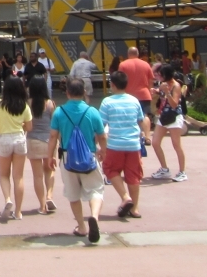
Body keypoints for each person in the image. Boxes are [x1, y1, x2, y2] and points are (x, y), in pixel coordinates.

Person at [47, 77, 107, 242]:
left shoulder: (59, 112)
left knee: (73, 194)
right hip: (89, 157)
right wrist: (104, 152)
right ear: (84, 92)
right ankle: (94, 216)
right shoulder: (92, 112)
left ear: (67, 93)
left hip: (67, 158)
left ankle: (81, 226)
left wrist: (50, 156)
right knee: (95, 189)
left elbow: (53, 137)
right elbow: (101, 136)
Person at [99, 70, 150, 219]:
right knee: (134, 176)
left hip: (115, 144)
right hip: (133, 144)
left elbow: (101, 126)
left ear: (112, 85)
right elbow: (142, 120)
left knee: (110, 170)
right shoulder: (134, 100)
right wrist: (146, 136)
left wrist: (98, 145)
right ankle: (135, 208)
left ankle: (125, 197)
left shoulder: (107, 102)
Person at [0, 76, 32, 221]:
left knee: (4, 175)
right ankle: (19, 211)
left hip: (4, 139)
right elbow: (29, 127)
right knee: (19, 176)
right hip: (19, 138)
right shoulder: (24, 106)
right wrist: (19, 125)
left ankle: (8, 199)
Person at [26, 75, 57, 215]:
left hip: (33, 140)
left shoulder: (28, 103)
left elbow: (26, 123)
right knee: (49, 170)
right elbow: (56, 125)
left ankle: (42, 205)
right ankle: (50, 196)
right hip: (48, 141)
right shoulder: (50, 104)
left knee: (37, 175)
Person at [151, 64, 188, 183]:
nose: (159, 77)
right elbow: (159, 94)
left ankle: (182, 172)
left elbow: (174, 104)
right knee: (155, 142)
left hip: (174, 117)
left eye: (161, 75)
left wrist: (167, 92)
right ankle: (164, 169)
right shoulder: (163, 84)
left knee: (176, 145)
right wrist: (156, 91)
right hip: (163, 116)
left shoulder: (176, 86)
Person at [119, 47, 155, 128]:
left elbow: (120, 79)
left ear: (128, 54)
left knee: (130, 115)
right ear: (138, 54)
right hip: (144, 95)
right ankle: (147, 135)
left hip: (128, 95)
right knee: (145, 115)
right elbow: (151, 80)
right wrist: (150, 91)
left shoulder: (123, 65)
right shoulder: (146, 64)